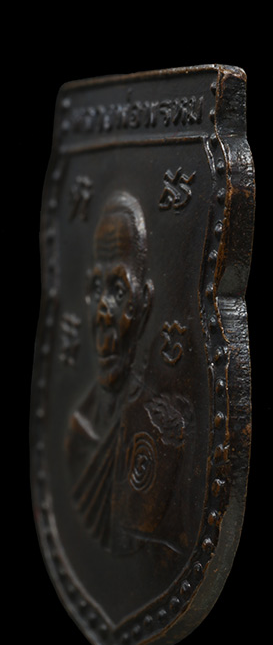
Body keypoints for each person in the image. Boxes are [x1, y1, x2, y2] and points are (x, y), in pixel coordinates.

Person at [65, 191, 193, 556]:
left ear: (144, 303)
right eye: (96, 289)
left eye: (118, 290)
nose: (103, 312)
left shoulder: (162, 433)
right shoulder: (78, 428)